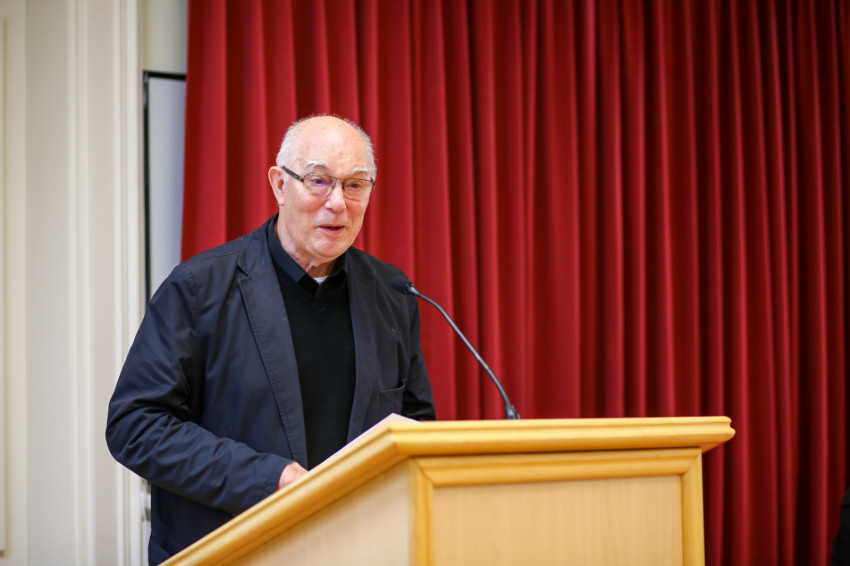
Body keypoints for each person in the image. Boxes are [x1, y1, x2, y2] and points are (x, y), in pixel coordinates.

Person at [106, 115, 436, 564]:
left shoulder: (393, 292)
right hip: (232, 547)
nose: (337, 202)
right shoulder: (199, 287)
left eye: (355, 185)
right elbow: (136, 426)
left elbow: (415, 424)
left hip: (356, 548)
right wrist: (269, 479)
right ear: (280, 185)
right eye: (319, 181)